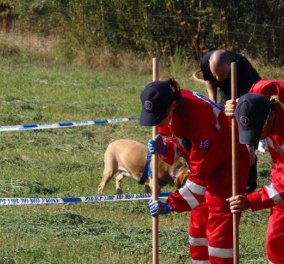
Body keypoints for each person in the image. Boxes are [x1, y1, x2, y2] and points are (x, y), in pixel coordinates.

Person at [139, 78, 250, 263]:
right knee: (198, 228)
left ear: (173, 105)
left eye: (159, 117)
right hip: (206, 160)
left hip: (228, 166)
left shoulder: (201, 123)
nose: (156, 124)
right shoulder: (175, 105)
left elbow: (198, 180)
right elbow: (185, 145)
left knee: (218, 231)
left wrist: (171, 204)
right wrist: (165, 149)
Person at [225, 80, 284, 264]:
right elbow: (248, 105)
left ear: (271, 116)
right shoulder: (259, 95)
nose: (259, 137)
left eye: (259, 131)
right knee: (275, 241)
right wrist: (233, 107)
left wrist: (250, 201)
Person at [200, 49, 261, 194]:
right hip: (226, 96)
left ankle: (249, 184)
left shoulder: (242, 68)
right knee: (220, 130)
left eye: (221, 74)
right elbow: (208, 80)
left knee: (245, 142)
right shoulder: (206, 61)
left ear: (230, 65)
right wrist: (213, 102)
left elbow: (250, 99)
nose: (218, 78)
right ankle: (226, 170)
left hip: (248, 96)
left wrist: (235, 106)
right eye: (215, 73)